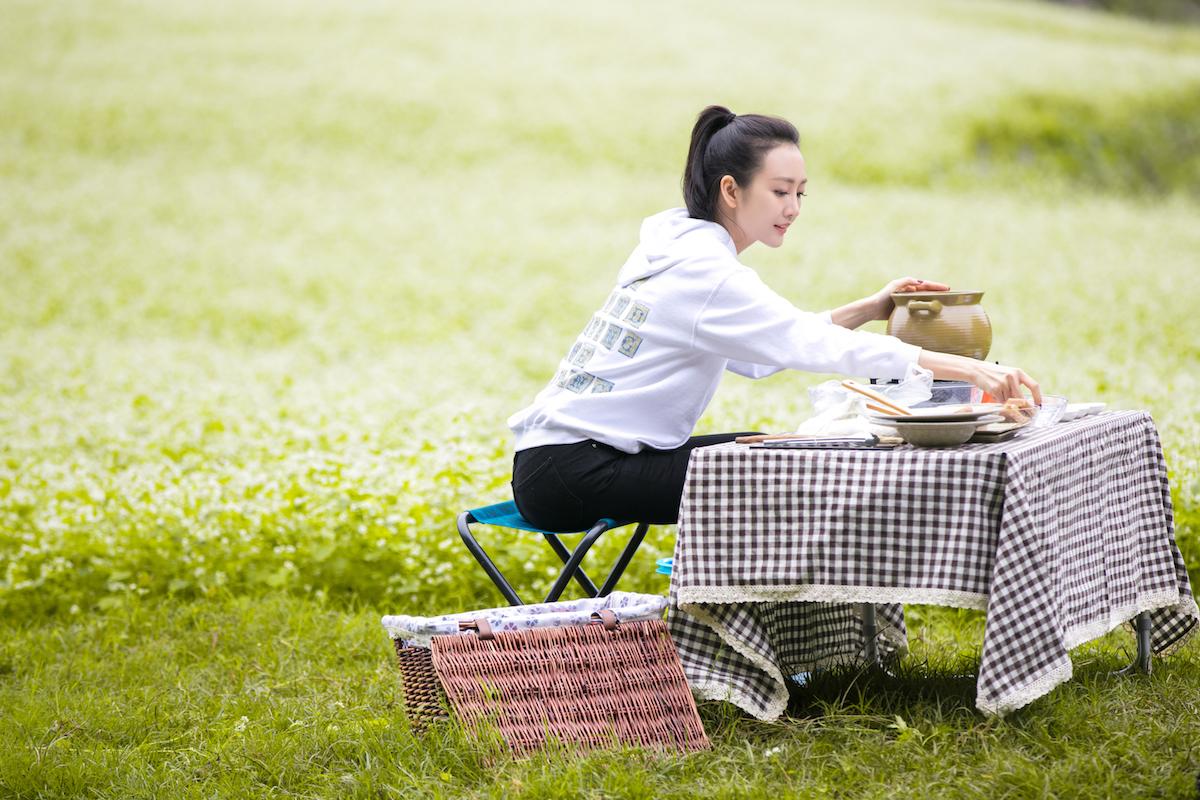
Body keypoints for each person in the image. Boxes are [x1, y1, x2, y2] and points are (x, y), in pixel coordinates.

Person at [507, 105, 1041, 532]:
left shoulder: (678, 248)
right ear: (732, 191)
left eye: (801, 193)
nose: (794, 208)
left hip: (559, 464)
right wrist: (968, 369)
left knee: (771, 450)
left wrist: (871, 309)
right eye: (780, 191)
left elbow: (756, 358)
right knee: (776, 472)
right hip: (575, 473)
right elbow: (798, 342)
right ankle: (738, 632)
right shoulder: (705, 272)